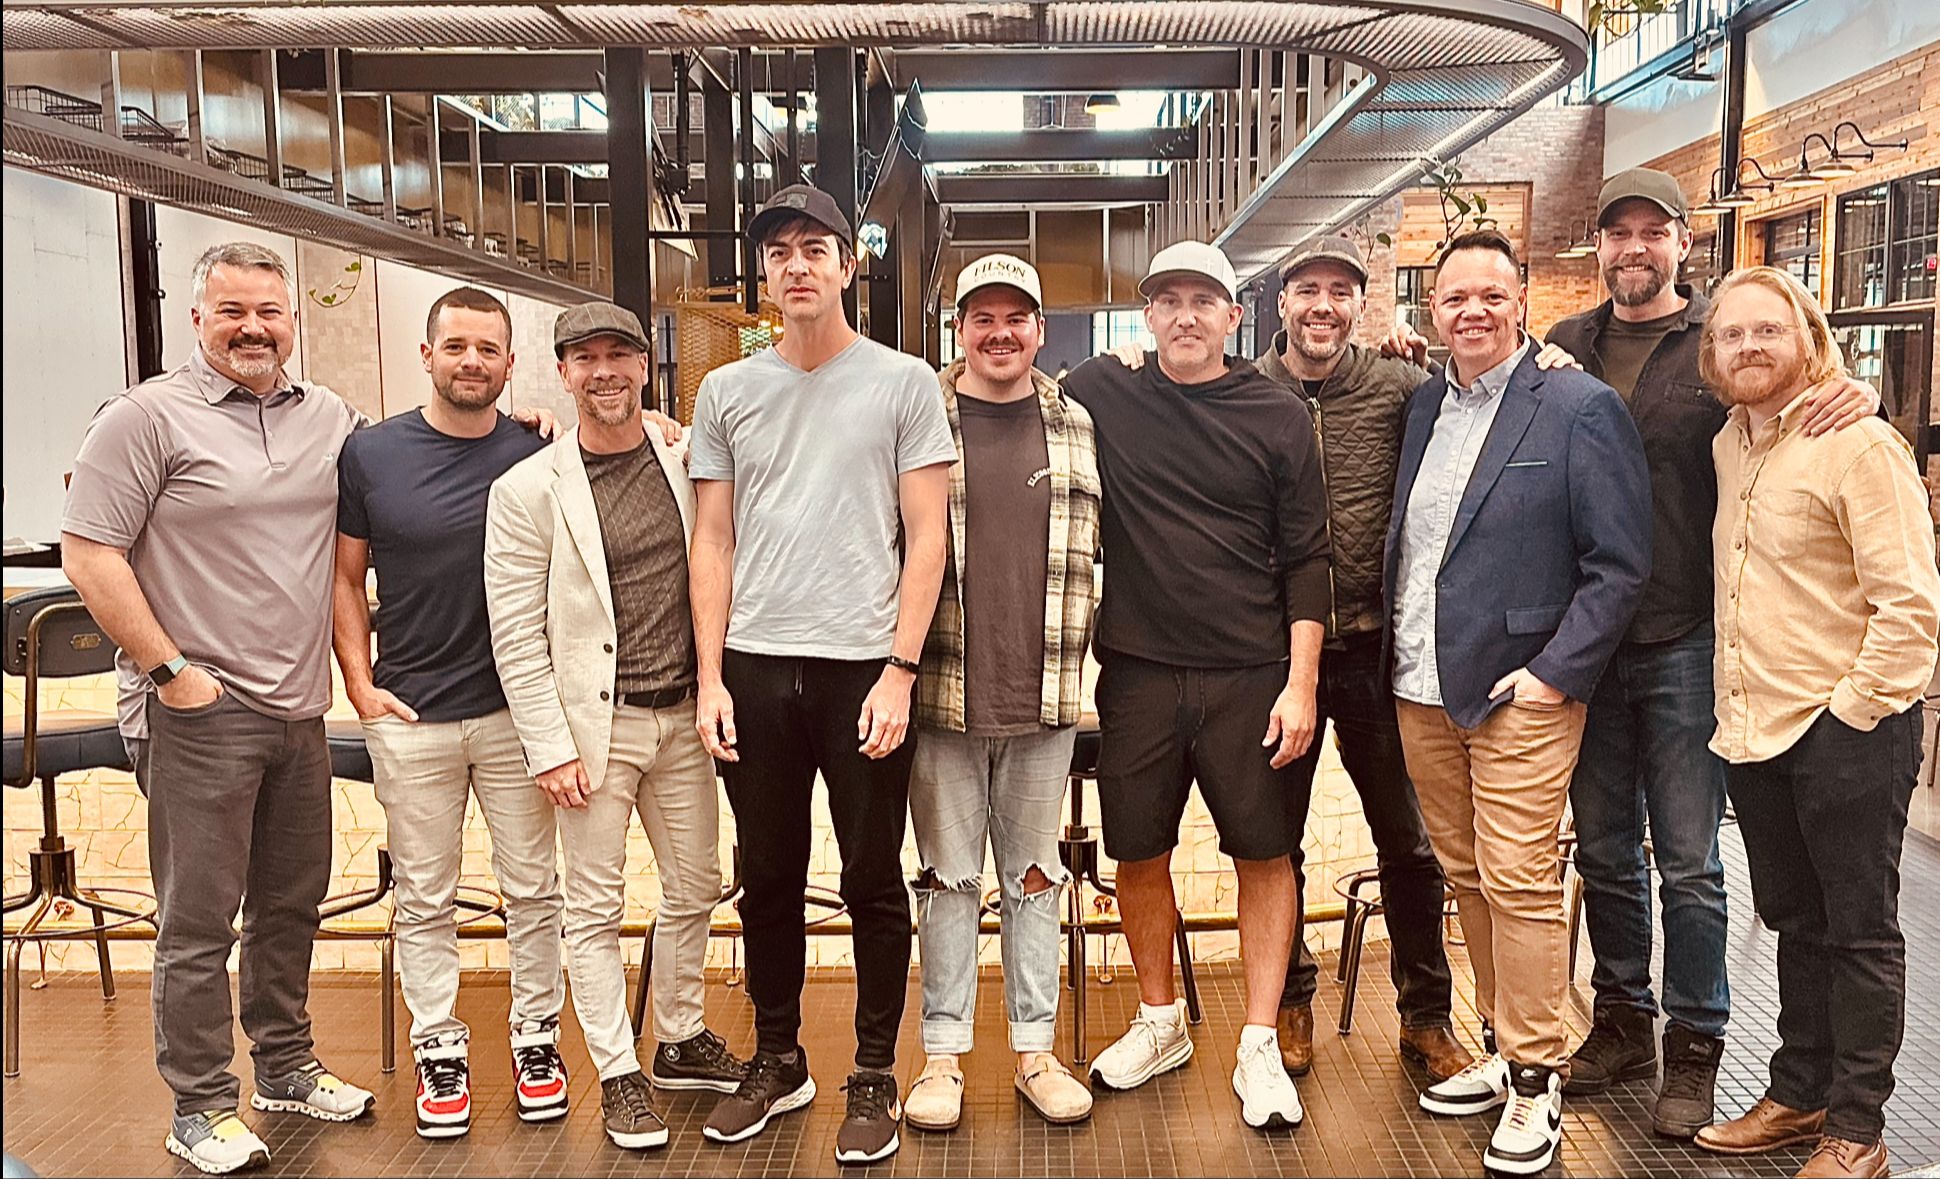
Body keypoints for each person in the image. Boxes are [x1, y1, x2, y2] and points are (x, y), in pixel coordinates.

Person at [1546, 170, 1881, 1137]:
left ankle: (1695, 1040)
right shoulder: (1565, 345)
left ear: (1681, 243)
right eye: (1618, 233)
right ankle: (1621, 1018)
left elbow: (1793, 395)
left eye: (1653, 231)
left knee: (1689, 859)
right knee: (1604, 849)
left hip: (1688, 639)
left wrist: (1851, 387)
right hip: (1588, 644)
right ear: (1598, 247)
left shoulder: (1720, 341)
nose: (1634, 248)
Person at [61, 242, 375, 1174]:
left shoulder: (328, 416)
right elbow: (89, 552)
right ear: (196, 317)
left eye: (269, 311)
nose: (252, 328)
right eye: (232, 311)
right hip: (198, 709)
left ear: (292, 320)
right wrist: (171, 673)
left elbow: (406, 462)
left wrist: (526, 421)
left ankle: (284, 1066)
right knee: (199, 919)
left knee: (291, 902)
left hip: (298, 707)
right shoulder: (144, 417)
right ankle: (199, 1104)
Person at [686, 184, 955, 1165]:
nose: (796, 265)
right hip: (755, 670)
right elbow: (712, 540)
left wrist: (899, 670)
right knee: (766, 877)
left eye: (814, 248)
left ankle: (874, 1069)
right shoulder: (726, 391)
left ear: (849, 263)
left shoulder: (903, 383)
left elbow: (926, 537)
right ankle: (778, 1056)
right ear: (763, 273)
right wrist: (711, 676)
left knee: (872, 876)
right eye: (778, 252)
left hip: (861, 672)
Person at [1392, 230, 1650, 1176]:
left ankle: (1538, 1079)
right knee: (1468, 876)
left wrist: (1554, 673)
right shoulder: (1425, 404)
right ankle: (1504, 1049)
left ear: (1522, 301)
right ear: (1432, 309)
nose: (1473, 311)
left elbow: (1619, 562)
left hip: (1520, 693)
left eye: (1491, 296)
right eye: (1455, 297)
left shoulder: (1577, 405)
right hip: (1421, 684)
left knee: (1520, 879)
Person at [1063, 240, 1327, 1132]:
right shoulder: (1104, 390)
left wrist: (1301, 684)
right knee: (1136, 853)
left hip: (1250, 674)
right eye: (1168, 301)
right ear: (1147, 316)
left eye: (1202, 301)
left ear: (1233, 316)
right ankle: (1160, 1019)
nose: (1185, 316)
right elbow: (999, 379)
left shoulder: (1277, 413)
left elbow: (1310, 558)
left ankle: (1258, 1039)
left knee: (1265, 853)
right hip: (1136, 671)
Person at [1692, 267, 1939, 1179]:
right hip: (1753, 729)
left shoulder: (1859, 443)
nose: (1750, 346)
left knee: (1860, 931)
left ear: (1809, 339)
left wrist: (1852, 712)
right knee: (1796, 918)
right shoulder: (1730, 443)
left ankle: (1859, 1131)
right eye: (1732, 334)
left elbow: (1911, 606)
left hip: (1845, 732)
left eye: (1769, 329)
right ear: (1712, 354)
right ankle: (1800, 1093)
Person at [486, 302, 746, 1152]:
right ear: (562, 372)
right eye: (585, 357)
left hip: (681, 718)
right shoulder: (526, 489)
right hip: (593, 730)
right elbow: (515, 631)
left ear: (644, 366)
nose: (604, 371)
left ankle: (678, 1034)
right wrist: (548, 744)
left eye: (619, 355)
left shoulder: (684, 457)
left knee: (696, 884)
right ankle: (618, 1070)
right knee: (593, 907)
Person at [331, 286, 571, 1138]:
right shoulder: (370, 454)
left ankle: (536, 1039)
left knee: (534, 890)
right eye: (457, 346)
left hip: (516, 715)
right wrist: (360, 684)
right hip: (411, 714)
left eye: (488, 349)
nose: (473, 361)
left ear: (510, 364)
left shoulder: (539, 449)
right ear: (428, 355)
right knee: (424, 895)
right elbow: (345, 577)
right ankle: (439, 1045)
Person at [901, 254, 1099, 1133]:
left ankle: (1034, 1051)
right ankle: (942, 1055)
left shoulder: (1078, 423)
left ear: (1040, 330)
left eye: (1016, 317)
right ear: (959, 331)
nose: (1000, 332)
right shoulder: (920, 419)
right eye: (982, 317)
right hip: (943, 689)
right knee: (947, 880)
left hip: (1045, 693)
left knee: (1035, 879)